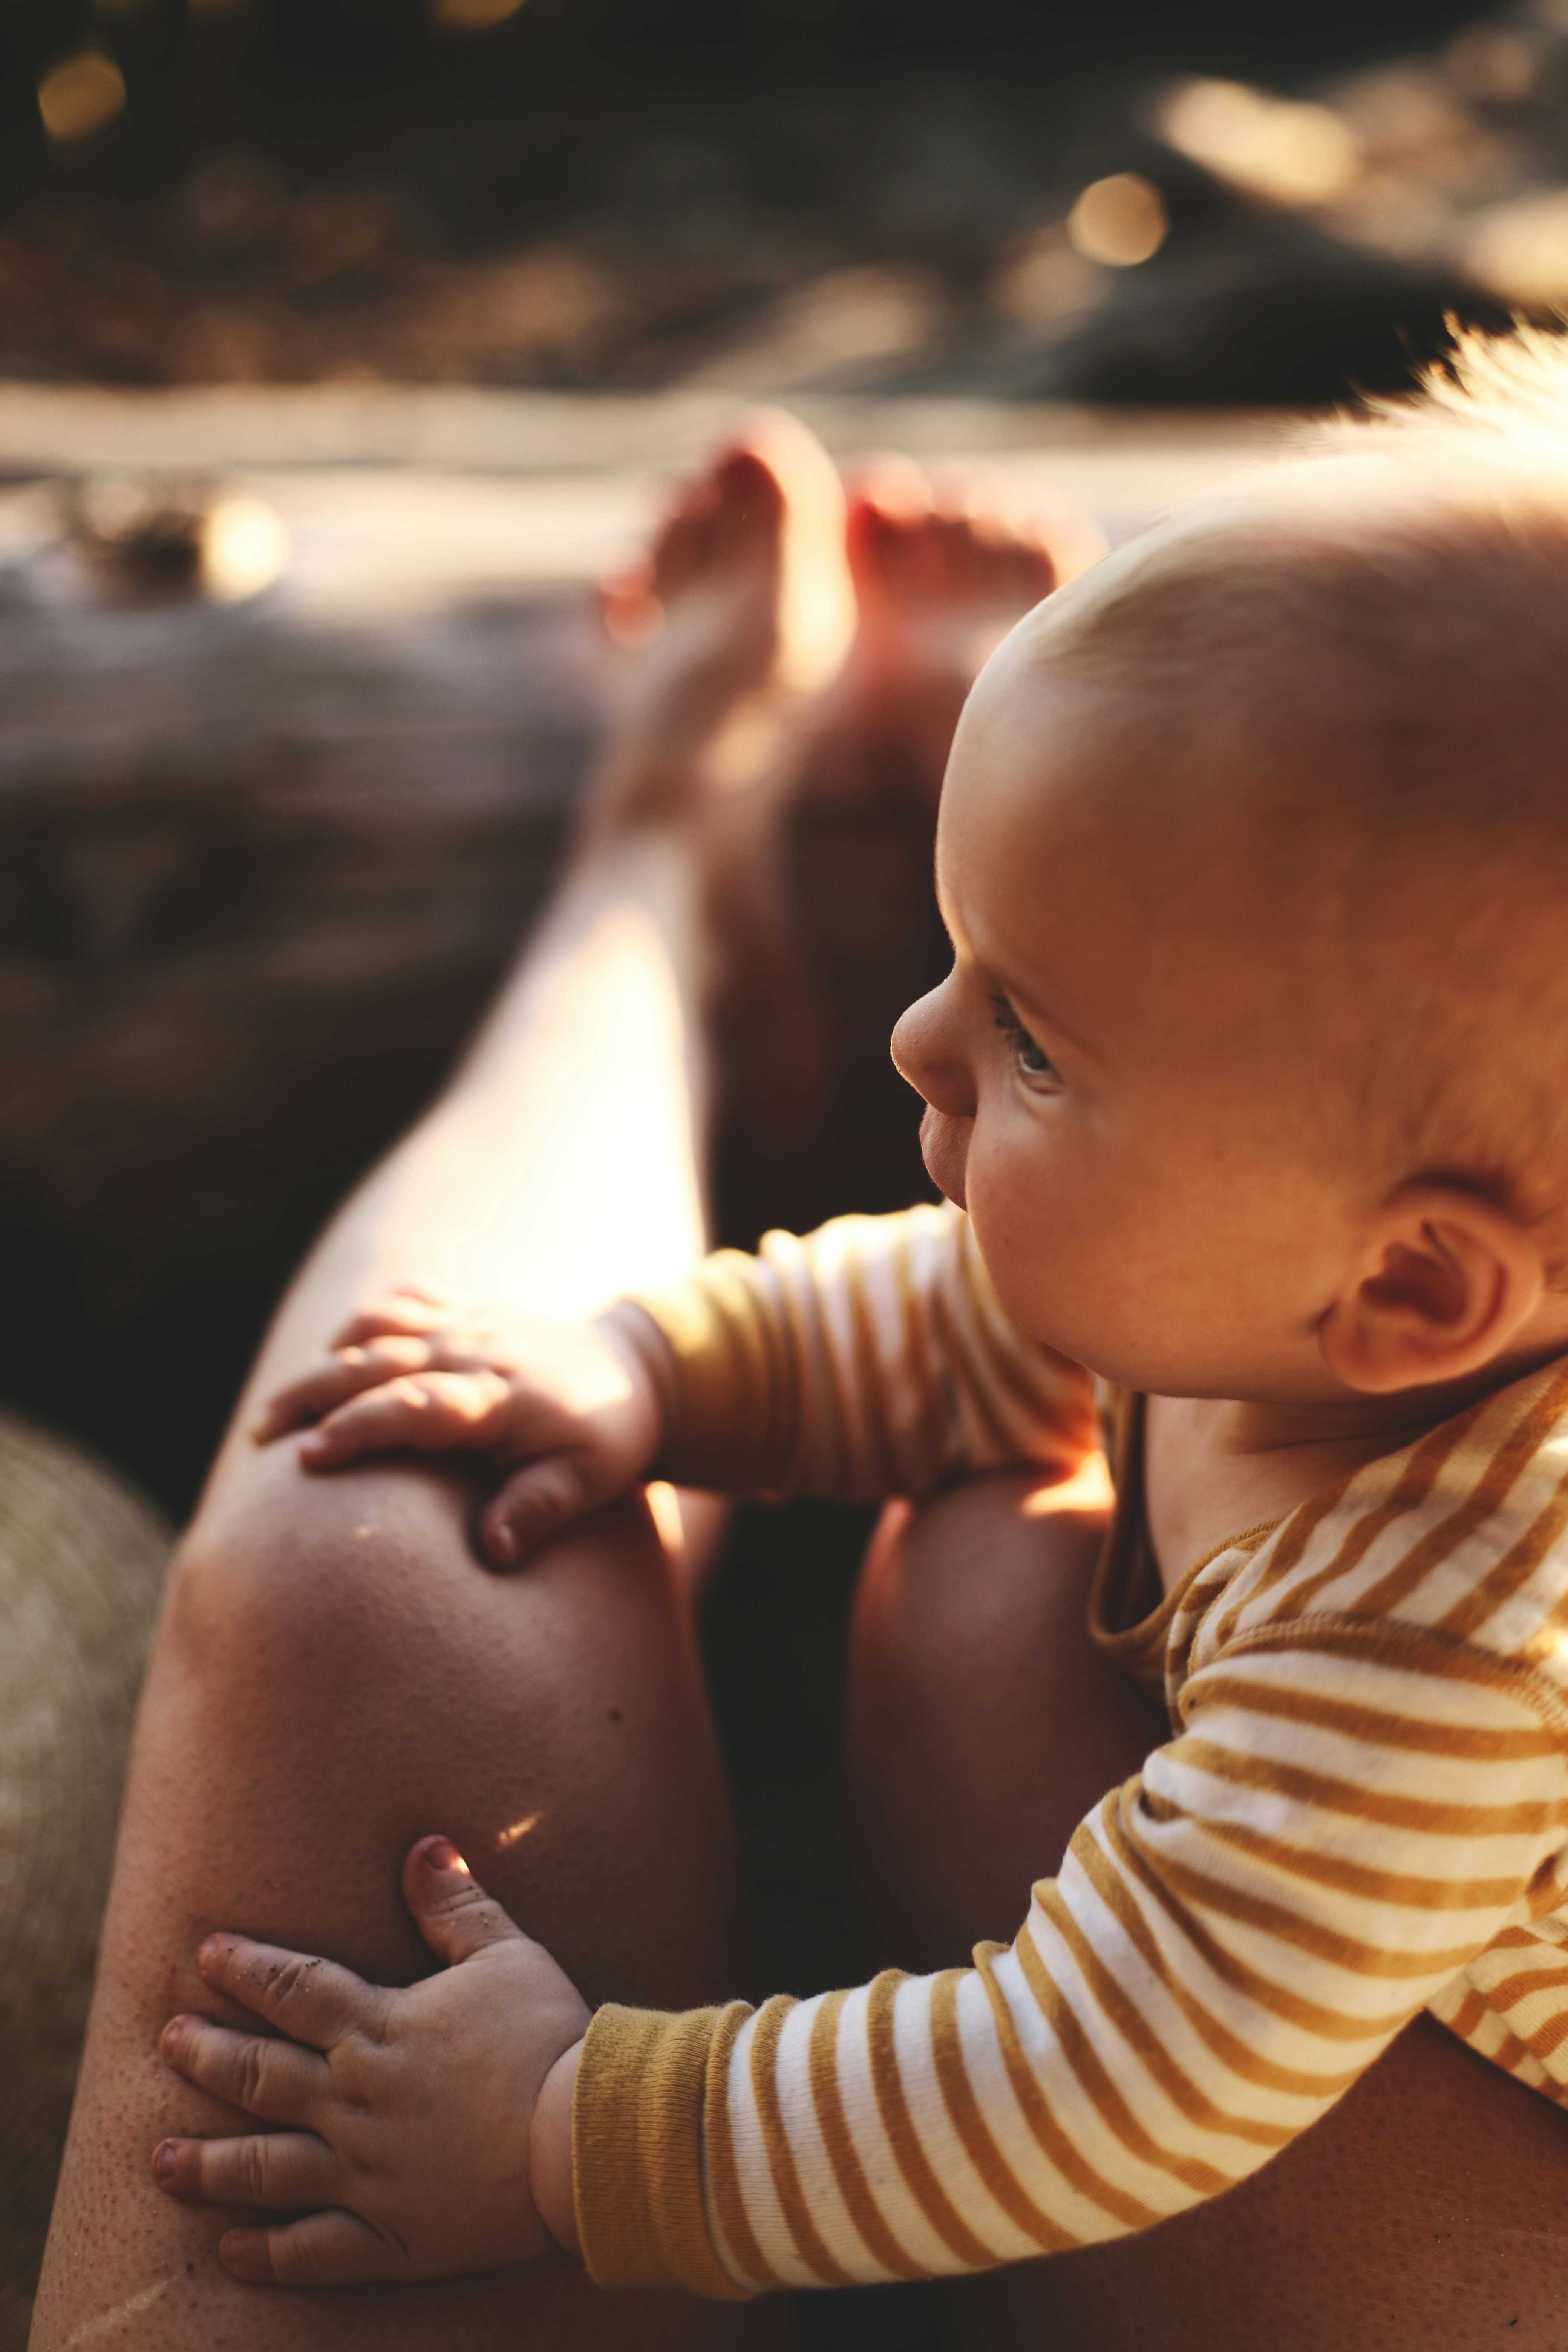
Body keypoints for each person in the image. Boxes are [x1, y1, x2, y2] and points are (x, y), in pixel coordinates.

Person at [33, 344, 1568, 2349]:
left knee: (940, 1587)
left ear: (1417, 1295)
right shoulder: (1322, 1306)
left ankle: (678, 878)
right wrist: (655, 1370)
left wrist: (566, 2134)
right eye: (956, 959)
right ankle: (1056, 883)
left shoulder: (1433, 1671)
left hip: (1337, 2076)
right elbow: (954, 1312)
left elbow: (1087, 2083)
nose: (915, 1050)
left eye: (1026, 1033)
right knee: (980, 1552)